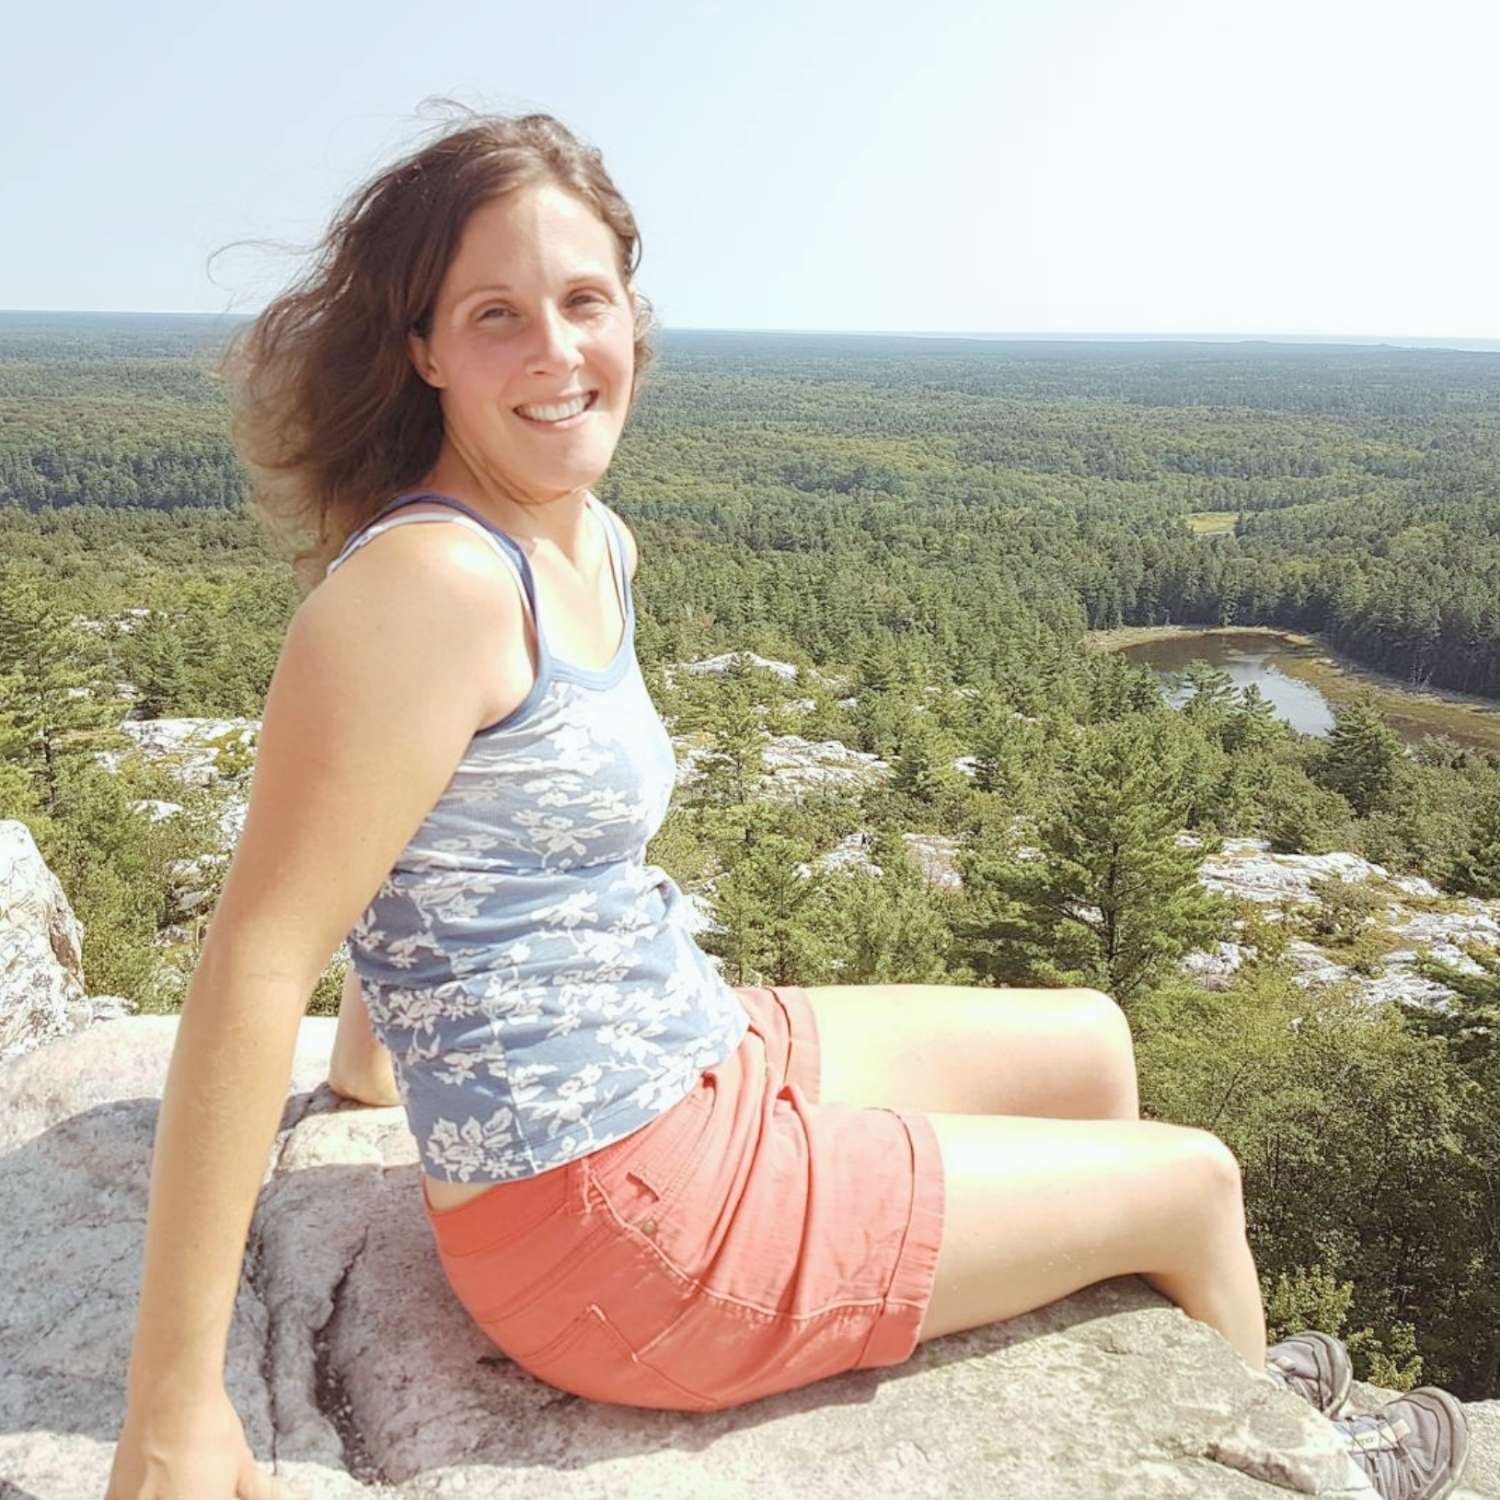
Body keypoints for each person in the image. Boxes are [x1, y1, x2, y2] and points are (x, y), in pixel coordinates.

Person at [105, 105, 1469, 1500]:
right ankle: (1301, 1462)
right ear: (425, 349)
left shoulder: (584, 538)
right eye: (496, 315)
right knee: (1194, 1185)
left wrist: (373, 1072)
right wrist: (174, 1409)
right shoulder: (429, 588)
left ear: (634, 313)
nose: (559, 352)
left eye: (584, 300)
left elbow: (432, 853)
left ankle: (1211, 1359)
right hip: (608, 1225)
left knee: (1093, 1050)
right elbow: (259, 949)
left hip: (684, 1059)